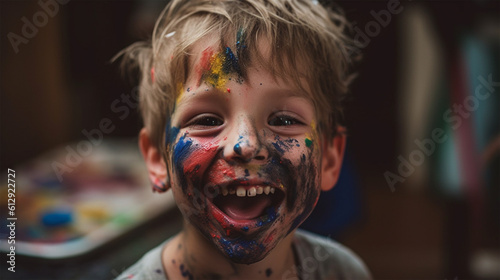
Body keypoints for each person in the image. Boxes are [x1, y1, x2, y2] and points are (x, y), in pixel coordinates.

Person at [115, 0, 370, 279]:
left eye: (283, 121)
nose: (245, 145)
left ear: (330, 159)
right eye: (207, 121)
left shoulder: (344, 273)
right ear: (157, 159)